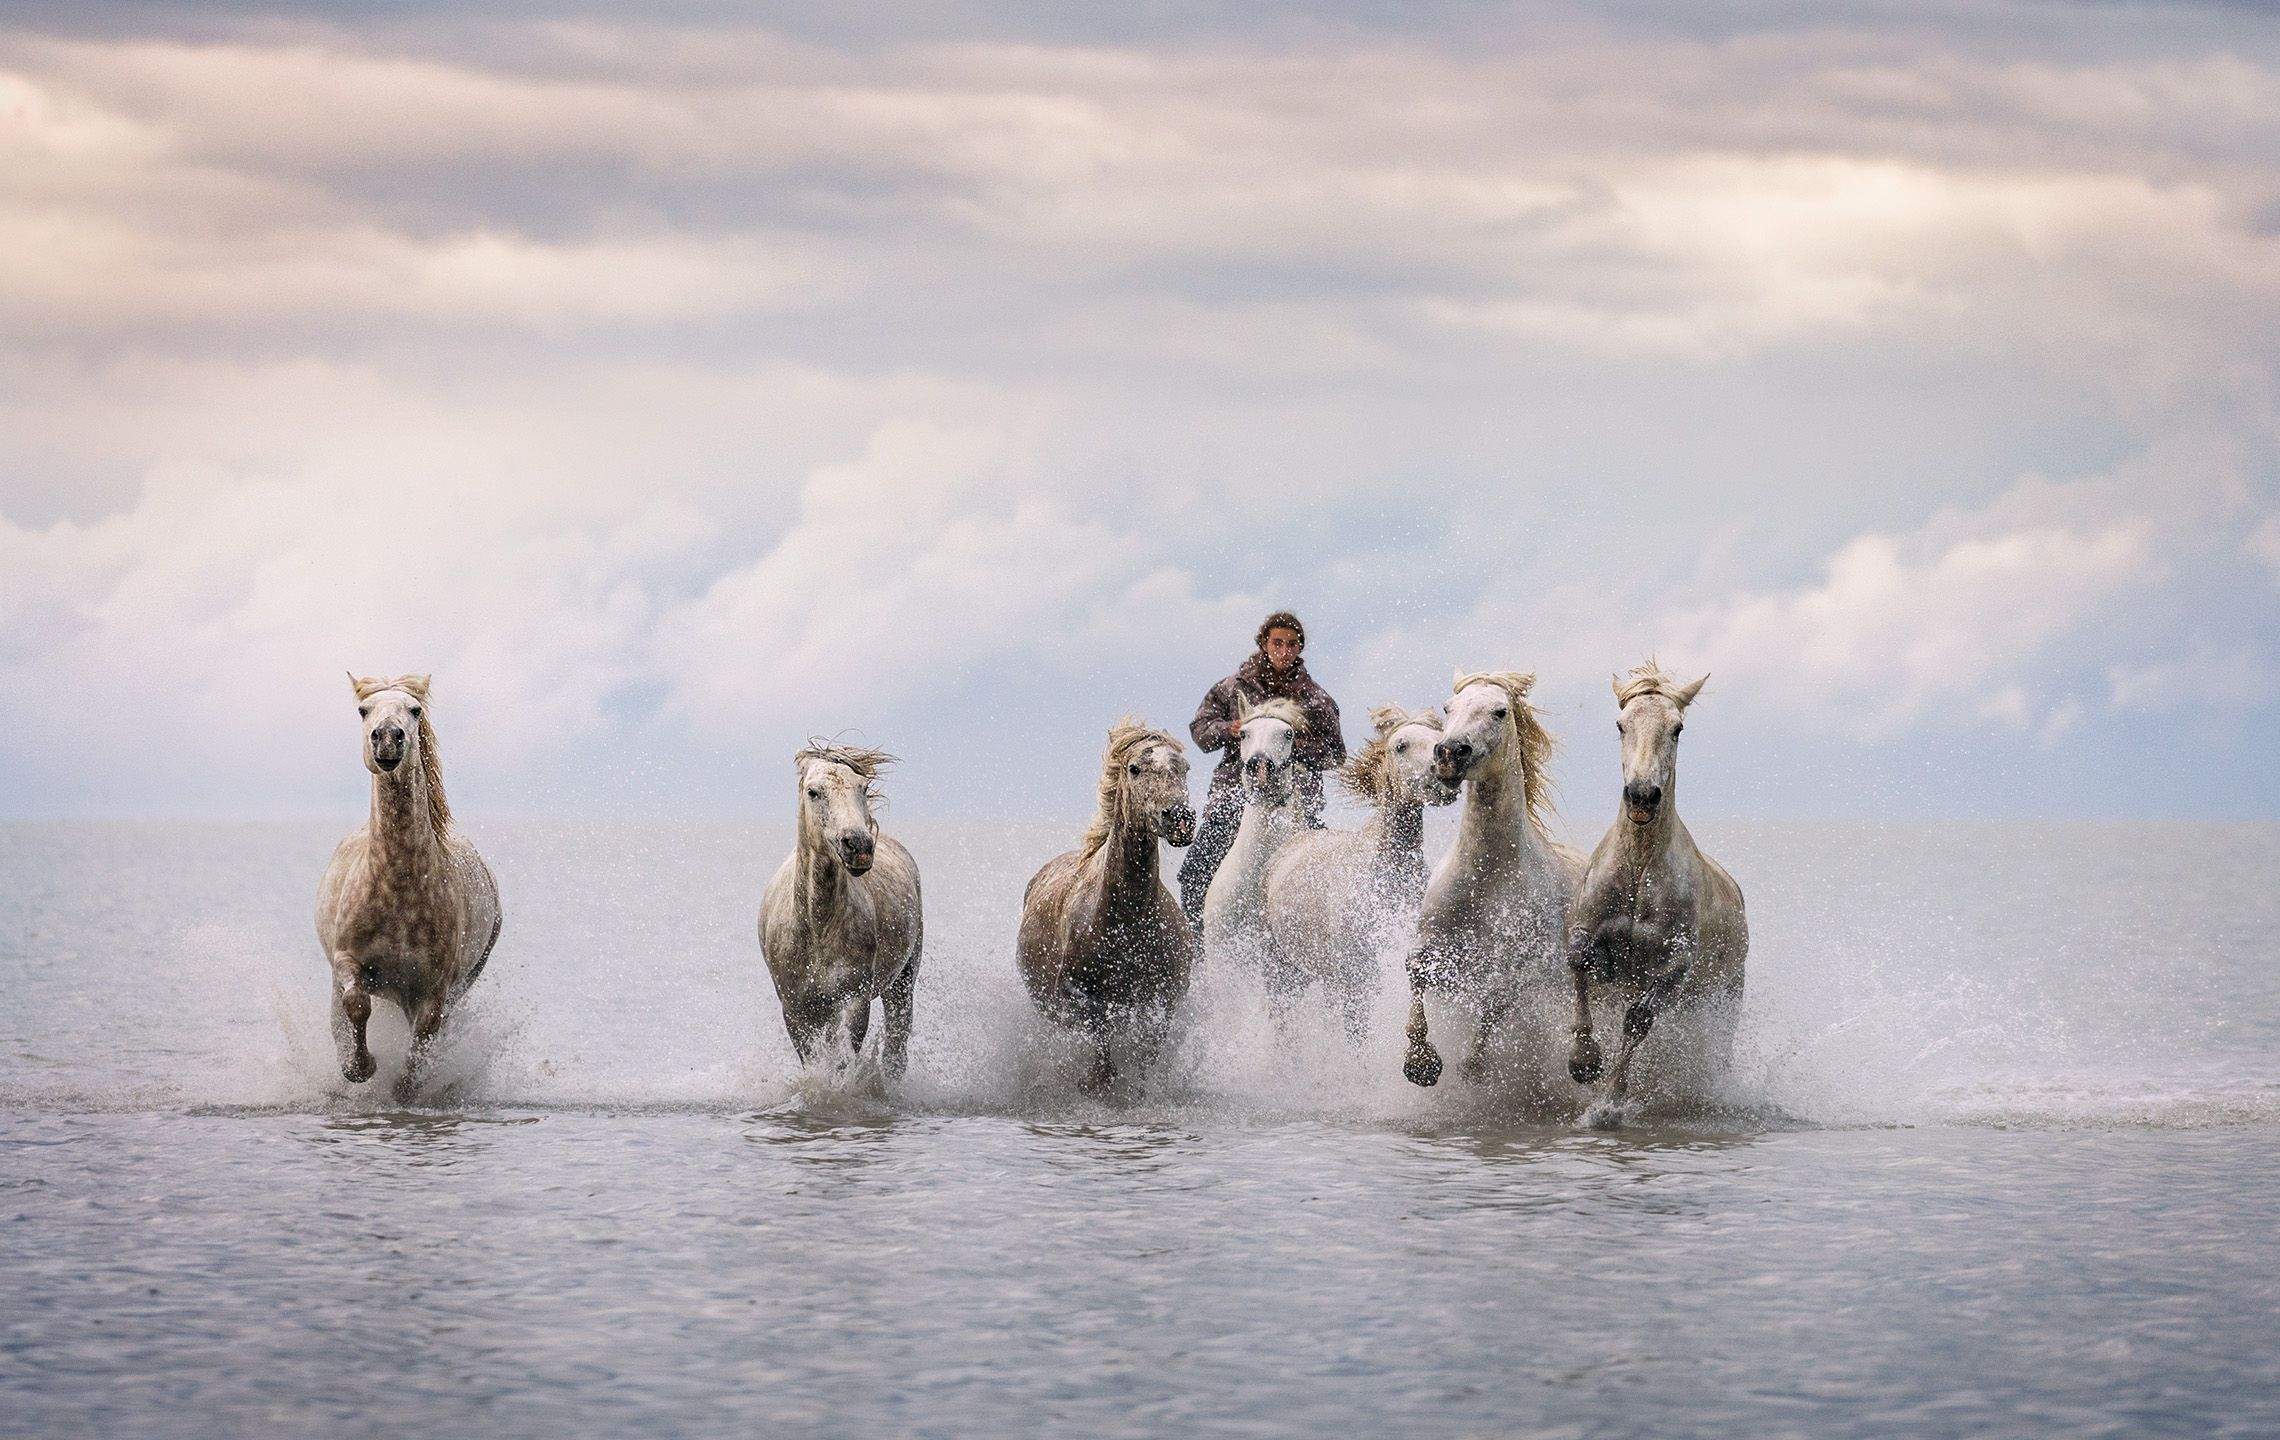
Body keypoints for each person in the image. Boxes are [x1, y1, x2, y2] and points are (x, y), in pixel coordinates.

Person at [1178, 610, 1346, 929]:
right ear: (1264, 644)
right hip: (1233, 797)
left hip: (1298, 805)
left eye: (1292, 645)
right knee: (1195, 872)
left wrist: (1285, 745)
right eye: (1277, 643)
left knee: (1329, 883)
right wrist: (1232, 729)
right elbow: (1200, 729)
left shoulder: (1316, 699)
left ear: (1300, 649)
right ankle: (1198, 954)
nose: (1284, 651)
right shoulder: (1230, 688)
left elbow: (1336, 754)